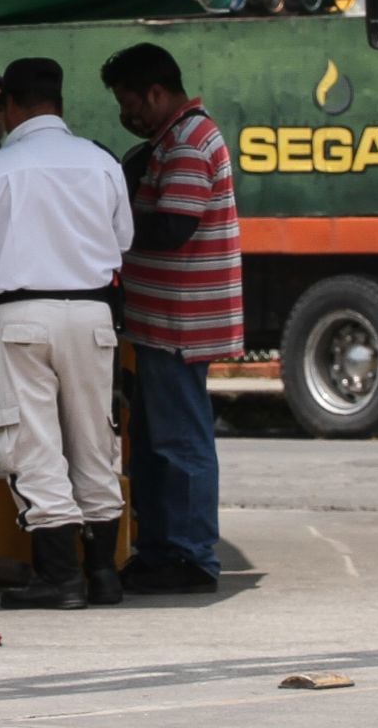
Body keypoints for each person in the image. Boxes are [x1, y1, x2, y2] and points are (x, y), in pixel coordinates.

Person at [0, 58, 133, 609]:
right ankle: (103, 573)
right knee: (95, 441)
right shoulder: (101, 162)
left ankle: (59, 578)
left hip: (22, 317)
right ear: (61, 103)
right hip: (93, 316)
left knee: (34, 443)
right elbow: (122, 240)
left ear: (10, 108)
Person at [101, 42, 242, 595]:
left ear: (157, 93)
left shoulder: (187, 142)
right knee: (159, 441)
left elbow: (174, 227)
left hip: (181, 322)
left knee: (180, 442)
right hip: (163, 319)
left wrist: (112, 211)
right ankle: (161, 549)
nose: (125, 115)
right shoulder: (170, 140)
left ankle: (191, 557)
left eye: (129, 102)